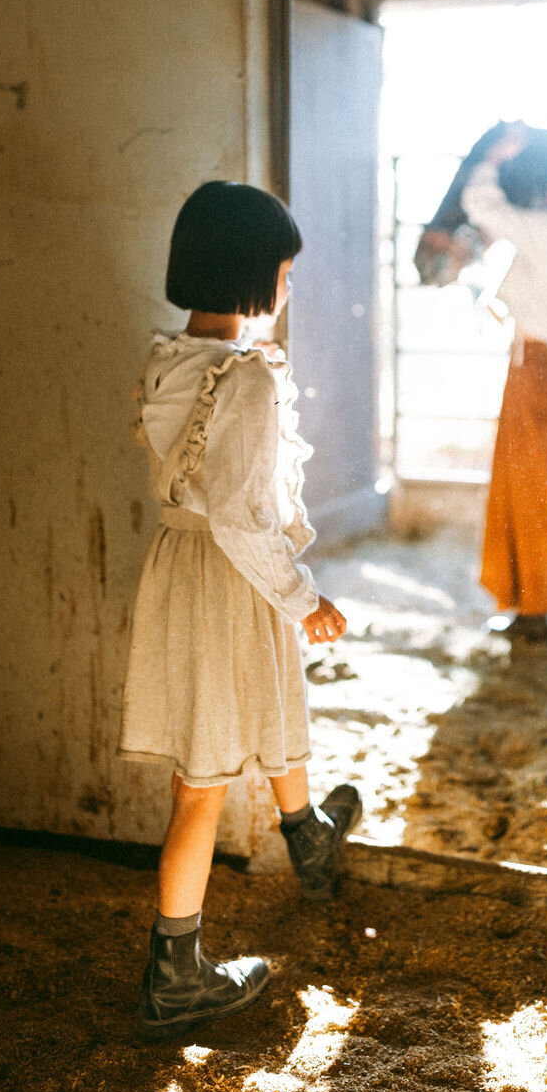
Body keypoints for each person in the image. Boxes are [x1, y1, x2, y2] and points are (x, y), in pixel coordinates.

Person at [119, 180, 361, 1041]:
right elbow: (241, 516)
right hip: (230, 576)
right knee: (203, 784)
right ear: (257, 276)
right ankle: (176, 974)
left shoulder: (165, 358)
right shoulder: (248, 379)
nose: (289, 285)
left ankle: (308, 833)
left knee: (255, 709)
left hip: (180, 570)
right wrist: (306, 597)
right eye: (285, 271)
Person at [462, 138, 547, 640]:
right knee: (544, 479)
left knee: (529, 483)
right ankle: (535, 602)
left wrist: (492, 159)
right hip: (545, 364)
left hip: (533, 366)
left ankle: (535, 607)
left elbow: (479, 204)